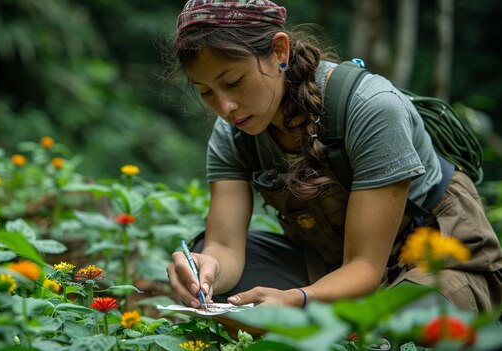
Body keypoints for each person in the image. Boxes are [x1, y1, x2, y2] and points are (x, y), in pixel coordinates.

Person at [165, 0, 502, 320]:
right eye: (206, 91)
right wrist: (207, 270)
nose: (225, 108)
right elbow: (224, 245)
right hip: (329, 265)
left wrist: (295, 299)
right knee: (220, 288)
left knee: (400, 331)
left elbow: (364, 266)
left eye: (233, 82)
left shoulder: (372, 108)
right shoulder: (233, 134)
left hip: (434, 261)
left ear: (279, 51)